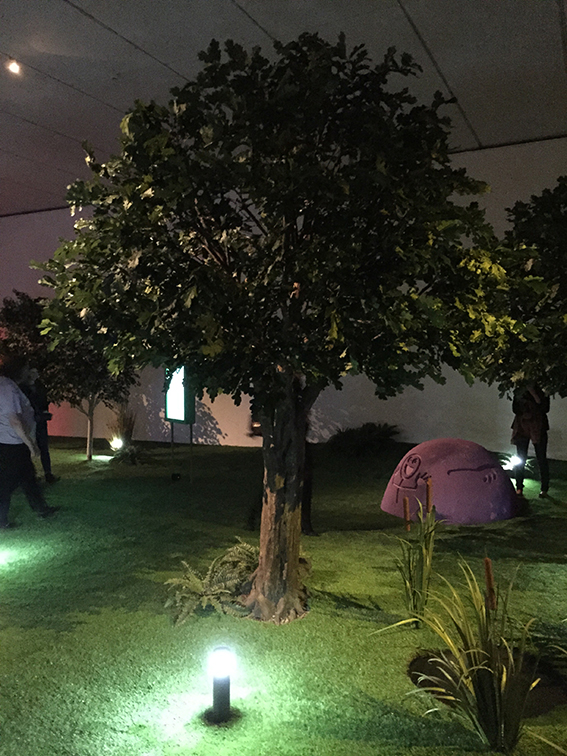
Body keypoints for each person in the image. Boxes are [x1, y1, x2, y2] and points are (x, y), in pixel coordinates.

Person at [0, 353, 58, 529]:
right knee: (7, 483)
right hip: (12, 443)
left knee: (28, 478)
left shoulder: (9, 385)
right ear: (18, 370)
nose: (28, 371)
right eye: (26, 368)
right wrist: (30, 444)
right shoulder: (8, 388)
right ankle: (1, 520)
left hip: (12, 442)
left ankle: (41, 508)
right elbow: (14, 420)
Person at [18, 367, 59, 483]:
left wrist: (44, 413)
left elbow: (44, 402)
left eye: (36, 372)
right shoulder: (22, 388)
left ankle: (48, 474)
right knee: (28, 448)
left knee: (43, 447)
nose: (35, 374)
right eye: (33, 372)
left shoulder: (40, 386)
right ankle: (29, 476)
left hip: (40, 421)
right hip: (29, 422)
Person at [511, 382, 550, 498]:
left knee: (541, 458)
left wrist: (534, 393)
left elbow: (545, 408)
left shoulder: (543, 389)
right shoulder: (520, 390)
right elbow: (515, 409)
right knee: (520, 457)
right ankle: (519, 487)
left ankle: (544, 488)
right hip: (522, 426)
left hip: (538, 426)